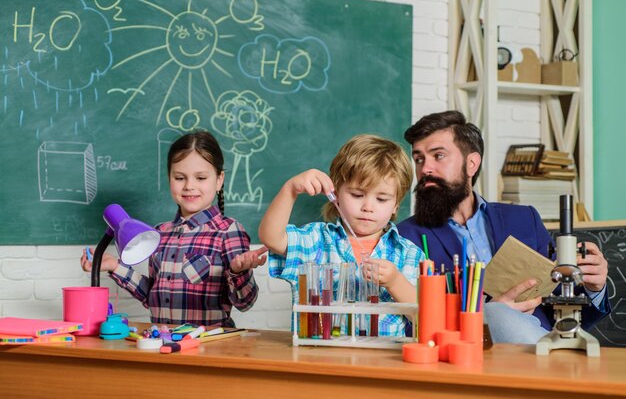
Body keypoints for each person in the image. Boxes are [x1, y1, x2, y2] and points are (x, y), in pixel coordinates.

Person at [397, 110, 610, 344]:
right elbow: (408, 325)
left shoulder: (523, 219)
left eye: (438, 156)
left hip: (540, 344)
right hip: (464, 357)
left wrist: (593, 288)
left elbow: (564, 309)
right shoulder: (405, 237)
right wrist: (486, 316)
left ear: (471, 164)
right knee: (496, 313)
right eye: (418, 159)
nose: (425, 169)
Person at [80, 131, 267, 327]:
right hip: (164, 345)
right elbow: (152, 297)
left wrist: (239, 273)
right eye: (180, 177)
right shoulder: (159, 233)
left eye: (201, 178)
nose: (189, 186)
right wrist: (115, 266)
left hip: (209, 349)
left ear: (219, 180)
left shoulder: (228, 231)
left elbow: (245, 302)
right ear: (169, 177)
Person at [259, 134, 423, 337]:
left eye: (382, 199)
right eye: (357, 195)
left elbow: (424, 319)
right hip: (317, 361)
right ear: (335, 194)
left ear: (396, 204)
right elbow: (271, 237)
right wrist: (290, 189)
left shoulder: (408, 254)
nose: (368, 207)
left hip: (379, 366)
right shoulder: (317, 240)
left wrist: (395, 282)